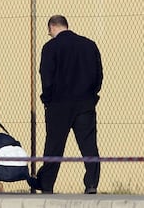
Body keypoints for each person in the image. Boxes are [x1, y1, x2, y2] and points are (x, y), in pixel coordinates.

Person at [27, 15, 103, 194]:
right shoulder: (89, 45)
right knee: (89, 145)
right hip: (85, 103)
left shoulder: (51, 47)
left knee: (54, 146)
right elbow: (98, 75)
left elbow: (47, 77)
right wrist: (91, 95)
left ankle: (46, 184)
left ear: (52, 27)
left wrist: (47, 99)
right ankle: (91, 183)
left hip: (59, 105)